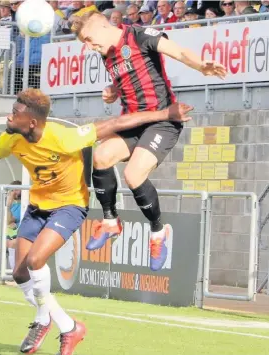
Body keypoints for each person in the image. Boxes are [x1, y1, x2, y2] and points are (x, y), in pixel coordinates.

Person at [0, 88, 193, 355]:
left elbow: (116, 122)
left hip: (69, 207)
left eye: (15, 112)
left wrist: (165, 113)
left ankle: (47, 321)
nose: (9, 116)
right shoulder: (12, 138)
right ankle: (67, 325)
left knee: (35, 260)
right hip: (37, 208)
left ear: (33, 122)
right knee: (19, 274)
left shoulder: (64, 138)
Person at [71, 11, 227, 271]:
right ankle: (110, 221)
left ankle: (158, 232)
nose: (88, 47)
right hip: (133, 121)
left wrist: (200, 65)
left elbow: (178, 51)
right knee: (100, 156)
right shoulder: (105, 53)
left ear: (101, 26)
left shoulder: (140, 36)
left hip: (162, 121)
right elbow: (126, 79)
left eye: (88, 39)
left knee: (133, 175)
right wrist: (113, 91)